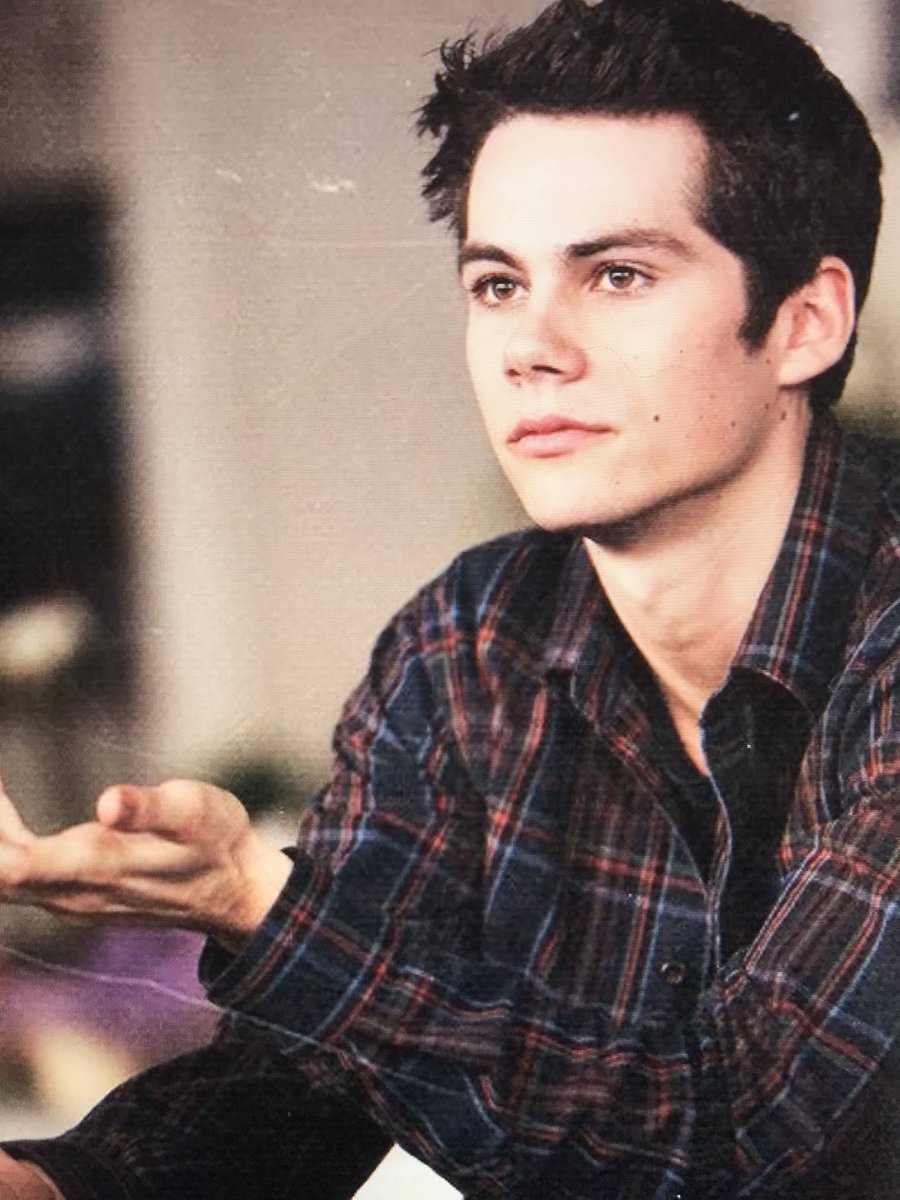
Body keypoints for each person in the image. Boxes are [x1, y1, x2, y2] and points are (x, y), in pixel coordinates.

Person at [0, 0, 897, 1195]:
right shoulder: (467, 644)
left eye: (618, 274)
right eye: (497, 283)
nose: (532, 346)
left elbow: (744, 1136)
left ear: (804, 323)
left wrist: (264, 904)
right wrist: (56, 1186)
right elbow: (311, 1086)